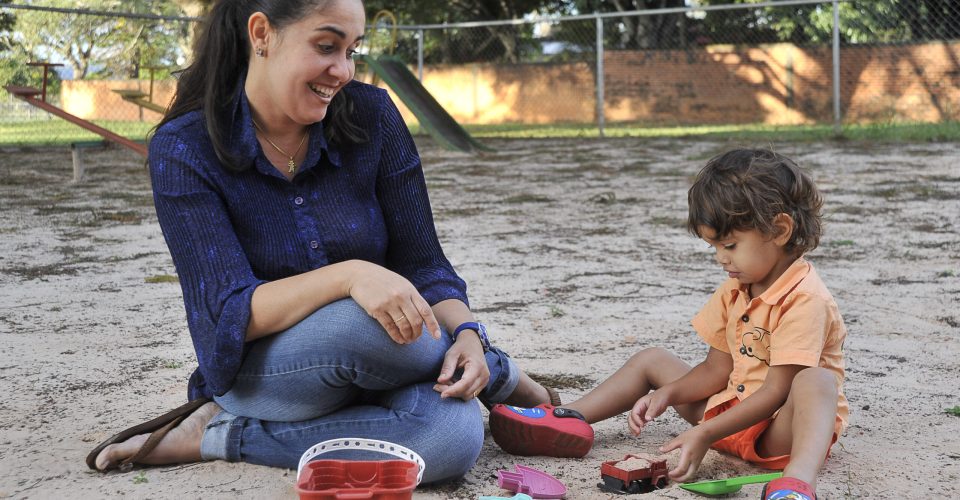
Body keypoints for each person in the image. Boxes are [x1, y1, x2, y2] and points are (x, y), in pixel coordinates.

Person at [85, 0, 559, 484]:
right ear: (261, 34)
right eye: (327, 46)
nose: (343, 71)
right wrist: (349, 276)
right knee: (363, 322)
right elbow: (227, 312)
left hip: (392, 358)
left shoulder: (373, 116)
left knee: (450, 437)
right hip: (271, 374)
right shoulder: (185, 147)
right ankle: (504, 376)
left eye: (352, 51)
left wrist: (469, 336)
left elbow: (425, 266)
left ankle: (218, 434)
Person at [489, 149, 848, 500]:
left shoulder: (805, 299)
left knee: (816, 381)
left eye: (730, 245)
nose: (721, 258)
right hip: (726, 414)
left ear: (780, 230)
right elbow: (716, 369)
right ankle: (570, 417)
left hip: (777, 433)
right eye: (714, 247)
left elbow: (775, 393)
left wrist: (705, 432)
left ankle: (797, 482)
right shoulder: (736, 290)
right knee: (653, 360)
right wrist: (668, 394)